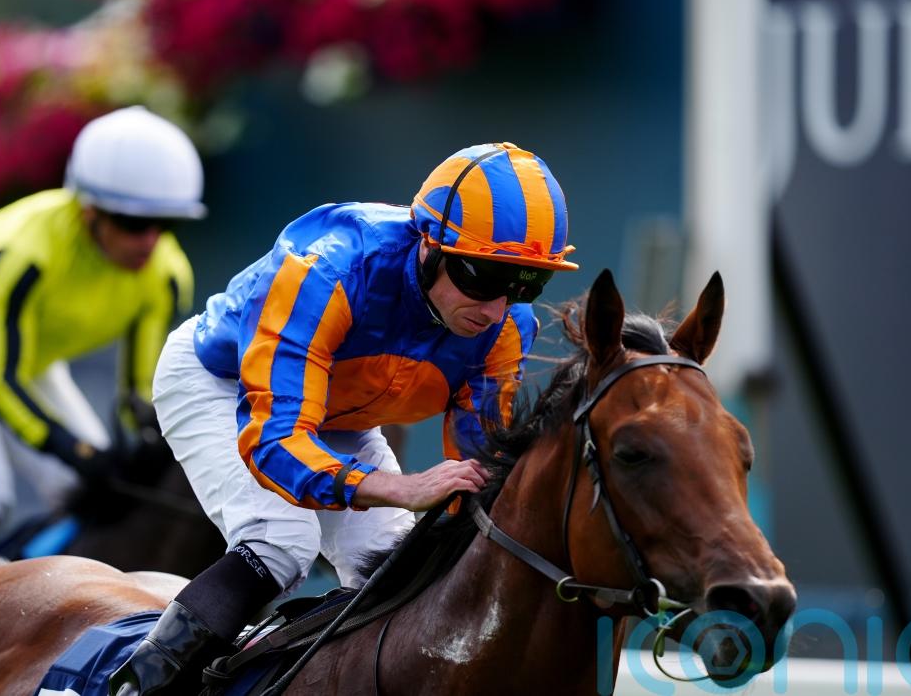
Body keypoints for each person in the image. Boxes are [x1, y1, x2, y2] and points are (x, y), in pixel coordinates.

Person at [109, 142, 579, 694]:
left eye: (525, 284)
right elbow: (275, 442)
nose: (497, 308)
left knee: (396, 569)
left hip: (339, 414)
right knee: (281, 541)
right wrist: (397, 487)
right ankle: (133, 688)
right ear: (429, 245)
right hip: (222, 382)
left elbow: (481, 467)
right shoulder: (327, 268)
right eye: (483, 277)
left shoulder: (505, 328)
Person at [0, 106, 201, 546]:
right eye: (132, 222)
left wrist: (149, 441)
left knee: (97, 494)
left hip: (29, 361)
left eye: (166, 223)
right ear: (88, 212)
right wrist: (73, 449)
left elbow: (138, 390)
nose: (150, 240)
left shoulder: (165, 276)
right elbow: (0, 381)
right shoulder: (24, 254)